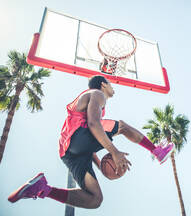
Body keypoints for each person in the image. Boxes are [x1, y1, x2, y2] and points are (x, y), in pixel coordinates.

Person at [8, 75, 174, 208]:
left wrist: (102, 166)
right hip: (76, 139)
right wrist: (114, 153)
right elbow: (94, 124)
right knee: (122, 126)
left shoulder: (91, 99)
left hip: (69, 152)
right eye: (110, 84)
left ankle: (43, 189)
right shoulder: (97, 94)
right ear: (103, 84)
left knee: (95, 199)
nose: (112, 87)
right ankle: (156, 150)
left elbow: (90, 142)